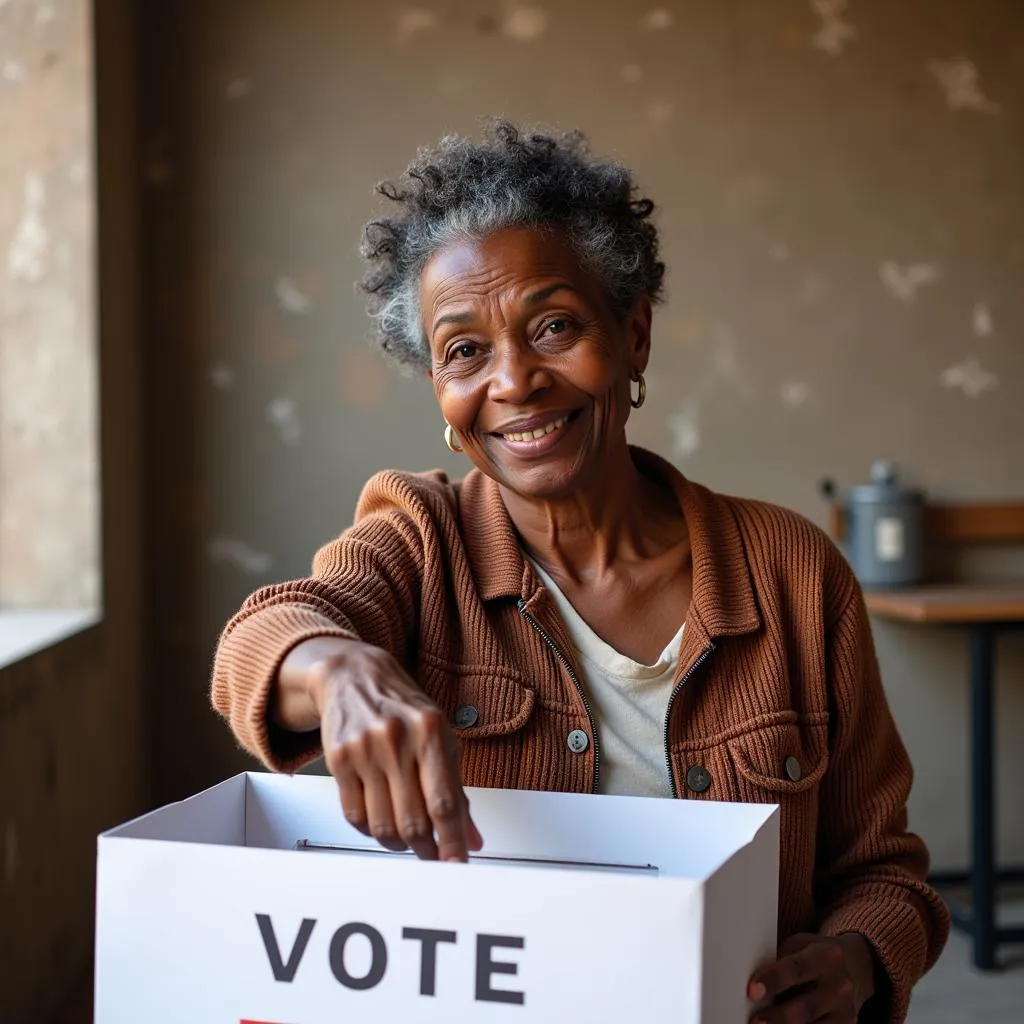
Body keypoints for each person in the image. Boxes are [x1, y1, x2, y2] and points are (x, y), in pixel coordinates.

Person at [211, 120, 948, 1024]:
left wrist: (856, 959)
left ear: (632, 337)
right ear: (442, 392)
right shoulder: (419, 538)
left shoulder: (794, 573)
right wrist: (340, 670)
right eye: (465, 350)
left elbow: (883, 871)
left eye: (554, 326)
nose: (515, 380)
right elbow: (263, 637)